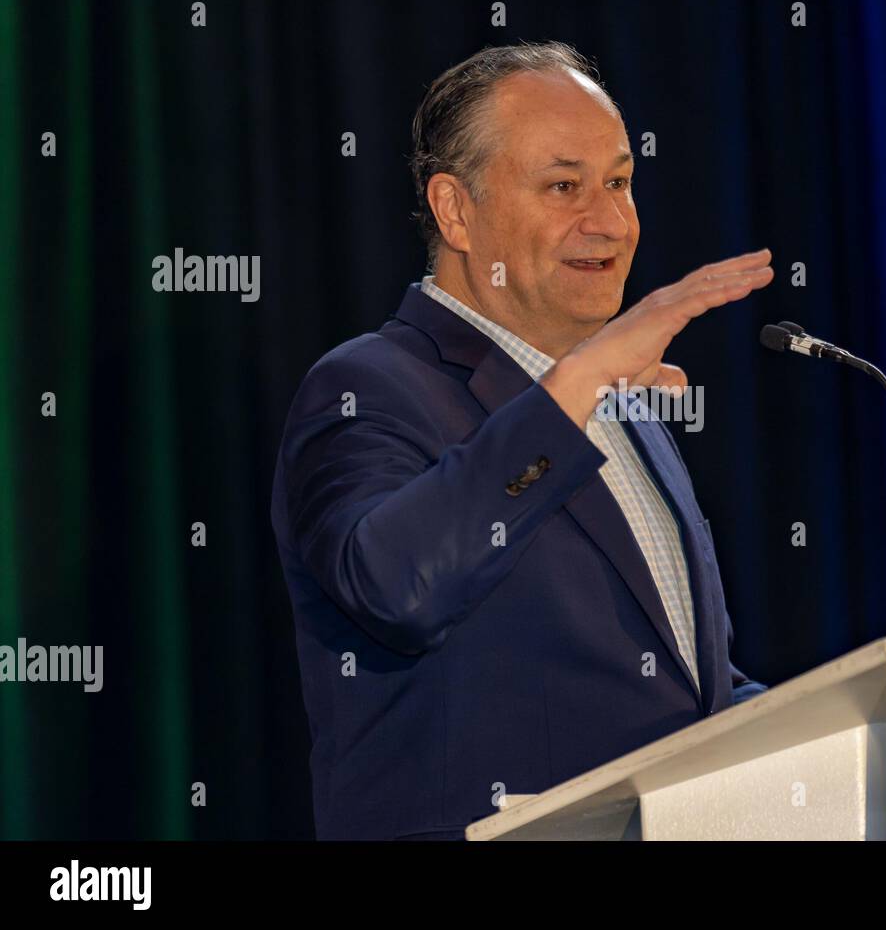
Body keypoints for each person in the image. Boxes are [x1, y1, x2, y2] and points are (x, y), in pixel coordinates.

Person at [270, 41, 773, 840]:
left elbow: (682, 691)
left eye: (618, 182)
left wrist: (847, 727)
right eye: (564, 186)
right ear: (456, 210)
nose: (610, 221)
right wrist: (576, 386)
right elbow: (398, 589)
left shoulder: (622, 403)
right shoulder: (368, 387)